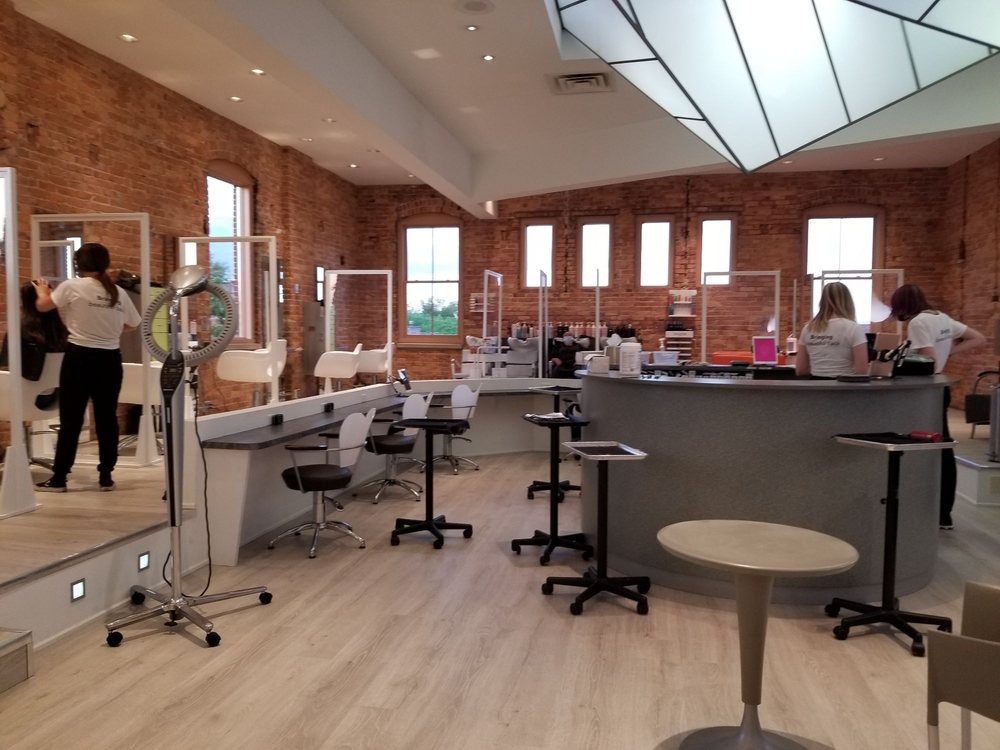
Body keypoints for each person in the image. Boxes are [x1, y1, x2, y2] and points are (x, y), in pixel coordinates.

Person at [31, 243, 142, 492]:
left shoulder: (72, 286)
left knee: (71, 419)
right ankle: (106, 477)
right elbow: (133, 324)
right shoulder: (117, 292)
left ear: (78, 264)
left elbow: (43, 306)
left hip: (79, 357)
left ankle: (59, 478)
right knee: (107, 418)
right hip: (110, 360)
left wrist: (41, 290)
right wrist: (109, 331)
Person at [890, 284, 986, 529]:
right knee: (943, 446)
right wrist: (950, 353)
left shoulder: (918, 322)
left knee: (926, 446)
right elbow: (978, 338)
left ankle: (925, 509)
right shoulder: (941, 318)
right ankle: (943, 512)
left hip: (923, 393)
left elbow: (928, 361)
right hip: (939, 390)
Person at [795, 282, 869, 378]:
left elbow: (801, 370)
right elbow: (862, 371)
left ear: (822, 302)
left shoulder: (808, 328)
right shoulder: (853, 328)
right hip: (844, 385)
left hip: (816, 385)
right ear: (848, 302)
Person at [0, 281, 69, 381]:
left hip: (22, 388)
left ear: (25, 303)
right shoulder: (63, 333)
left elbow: (6, 370)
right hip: (56, 388)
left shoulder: (18, 332)